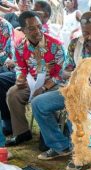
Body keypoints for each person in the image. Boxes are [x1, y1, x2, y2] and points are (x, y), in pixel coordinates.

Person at [31, 12, 91, 170]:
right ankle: (60, 146)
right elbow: (66, 70)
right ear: (81, 29)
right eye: (86, 33)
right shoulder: (75, 44)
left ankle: (81, 154)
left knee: (75, 109)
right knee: (39, 103)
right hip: (74, 90)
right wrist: (48, 85)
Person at [5, 11, 66, 146]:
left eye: (39, 26)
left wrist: (44, 87)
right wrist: (19, 78)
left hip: (54, 84)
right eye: (32, 28)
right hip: (31, 83)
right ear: (23, 30)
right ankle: (22, 132)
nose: (38, 31)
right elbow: (21, 68)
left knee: (44, 146)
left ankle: (51, 134)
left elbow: (61, 74)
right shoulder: (20, 46)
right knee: (13, 93)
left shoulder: (56, 45)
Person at [0, 17, 15, 137]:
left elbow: (6, 53)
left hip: (6, 64)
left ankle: (7, 122)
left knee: (1, 80)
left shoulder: (4, 26)